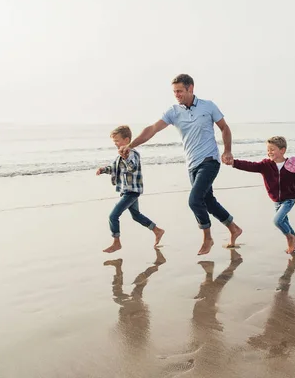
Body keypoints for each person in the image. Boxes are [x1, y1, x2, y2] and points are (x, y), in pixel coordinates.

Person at [118, 74, 242, 256]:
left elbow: (224, 127)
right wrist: (131, 145)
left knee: (194, 201)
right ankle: (233, 228)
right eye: (174, 92)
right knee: (208, 201)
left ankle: (207, 237)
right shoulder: (173, 111)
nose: (177, 95)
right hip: (192, 164)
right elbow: (152, 129)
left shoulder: (208, 106)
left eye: (180, 91)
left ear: (191, 88)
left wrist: (227, 151)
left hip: (210, 160)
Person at [226, 136, 295, 254]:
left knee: (277, 221)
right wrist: (234, 162)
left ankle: (290, 238)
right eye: (268, 150)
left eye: (272, 149)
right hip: (276, 200)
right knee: (284, 221)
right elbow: (250, 166)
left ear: (282, 150)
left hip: (289, 199)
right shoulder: (265, 165)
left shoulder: (292, 165)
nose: (269, 152)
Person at [97, 125, 164, 253]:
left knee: (113, 215)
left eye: (117, 140)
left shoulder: (132, 154)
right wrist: (103, 170)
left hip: (131, 191)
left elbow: (132, 167)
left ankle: (116, 242)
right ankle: (157, 230)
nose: (115, 144)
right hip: (126, 191)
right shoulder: (119, 156)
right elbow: (114, 168)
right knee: (136, 215)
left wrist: (126, 157)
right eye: (114, 141)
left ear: (127, 140)